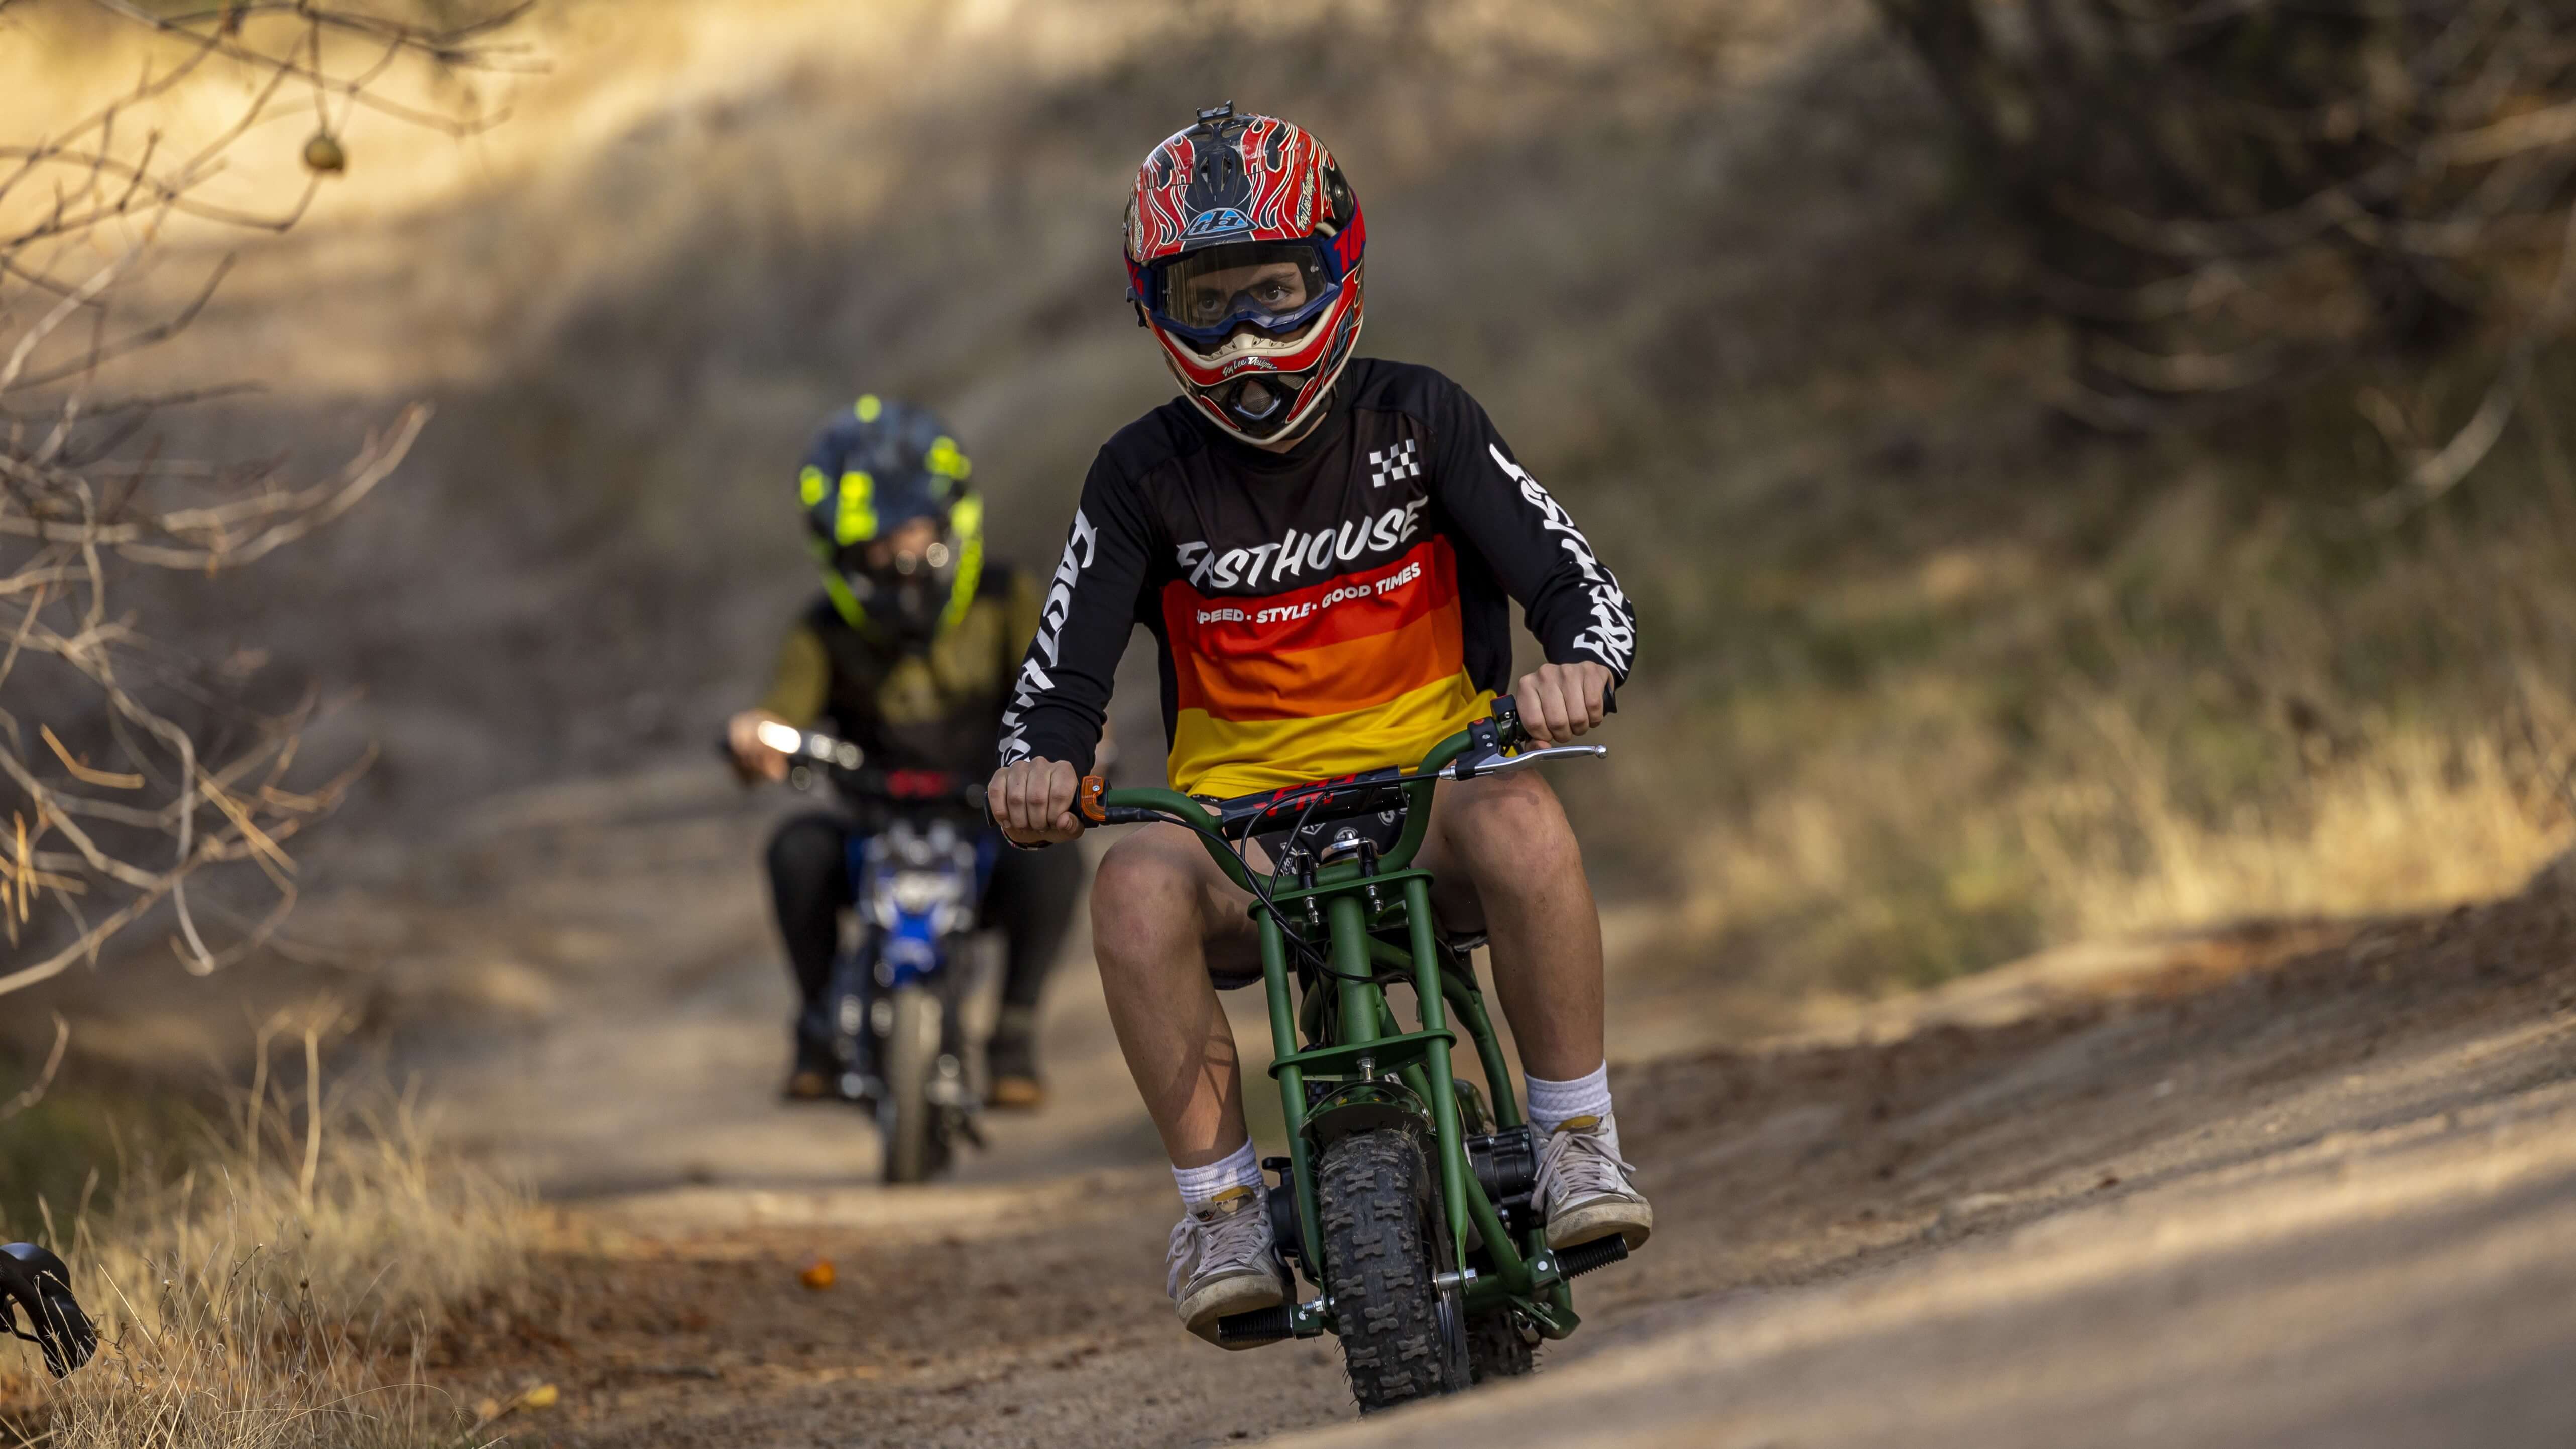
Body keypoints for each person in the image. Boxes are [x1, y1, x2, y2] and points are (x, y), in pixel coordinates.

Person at [985, 104, 1651, 1346]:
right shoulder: (1139, 475)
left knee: (1526, 822)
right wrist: (1037, 764)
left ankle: (1575, 1138)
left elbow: (1576, 585)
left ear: (1337, 274)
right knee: (1128, 885)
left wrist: (1579, 664)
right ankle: (1223, 1207)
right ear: (1155, 309)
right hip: (1236, 826)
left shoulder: (1421, 417)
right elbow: (1058, 682)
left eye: (1276, 289)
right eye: (1207, 299)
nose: (1245, 335)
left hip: (1432, 788)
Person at [731, 395, 1082, 1110]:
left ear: (950, 519)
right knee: (795, 849)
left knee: (1058, 859)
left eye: (912, 529)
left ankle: (1013, 1034)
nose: (898, 555)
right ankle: (819, 1023)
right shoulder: (822, 629)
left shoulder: (1004, 596)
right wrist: (754, 737)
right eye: (874, 543)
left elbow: (1060, 691)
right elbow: (779, 715)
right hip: (870, 829)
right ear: (837, 549)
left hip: (988, 820)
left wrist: (1081, 749)